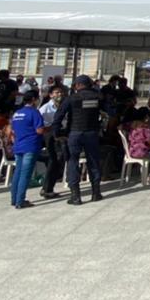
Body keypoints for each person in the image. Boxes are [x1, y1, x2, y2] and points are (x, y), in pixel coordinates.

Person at [55, 74, 104, 204]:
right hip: (92, 133)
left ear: (78, 85)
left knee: (73, 162)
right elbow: (110, 111)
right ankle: (96, 193)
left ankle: (75, 196)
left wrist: (57, 133)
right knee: (93, 161)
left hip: (74, 133)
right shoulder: (98, 97)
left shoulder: (71, 98)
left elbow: (58, 116)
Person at [5, 92, 45, 209]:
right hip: (30, 146)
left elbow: (12, 130)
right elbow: (39, 130)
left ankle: (14, 199)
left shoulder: (17, 113)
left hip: (18, 146)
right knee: (25, 174)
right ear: (34, 99)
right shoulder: (34, 112)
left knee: (18, 172)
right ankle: (20, 201)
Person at [38, 86, 67, 199]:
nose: (59, 94)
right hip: (50, 136)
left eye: (61, 92)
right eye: (56, 92)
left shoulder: (64, 106)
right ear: (51, 95)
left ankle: (48, 187)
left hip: (61, 135)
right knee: (54, 160)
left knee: (58, 161)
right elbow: (39, 124)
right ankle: (47, 188)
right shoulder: (45, 108)